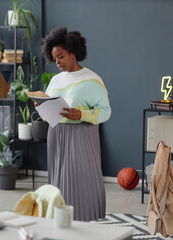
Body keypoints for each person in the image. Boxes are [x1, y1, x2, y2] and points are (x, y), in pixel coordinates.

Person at [40, 27, 111, 221]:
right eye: (54, 59)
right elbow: (50, 109)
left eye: (61, 56)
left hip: (82, 133)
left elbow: (105, 112)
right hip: (56, 132)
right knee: (58, 178)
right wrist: (42, 107)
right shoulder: (55, 80)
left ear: (73, 52)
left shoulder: (92, 80)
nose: (58, 62)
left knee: (82, 179)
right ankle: (59, 219)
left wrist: (81, 114)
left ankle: (86, 218)